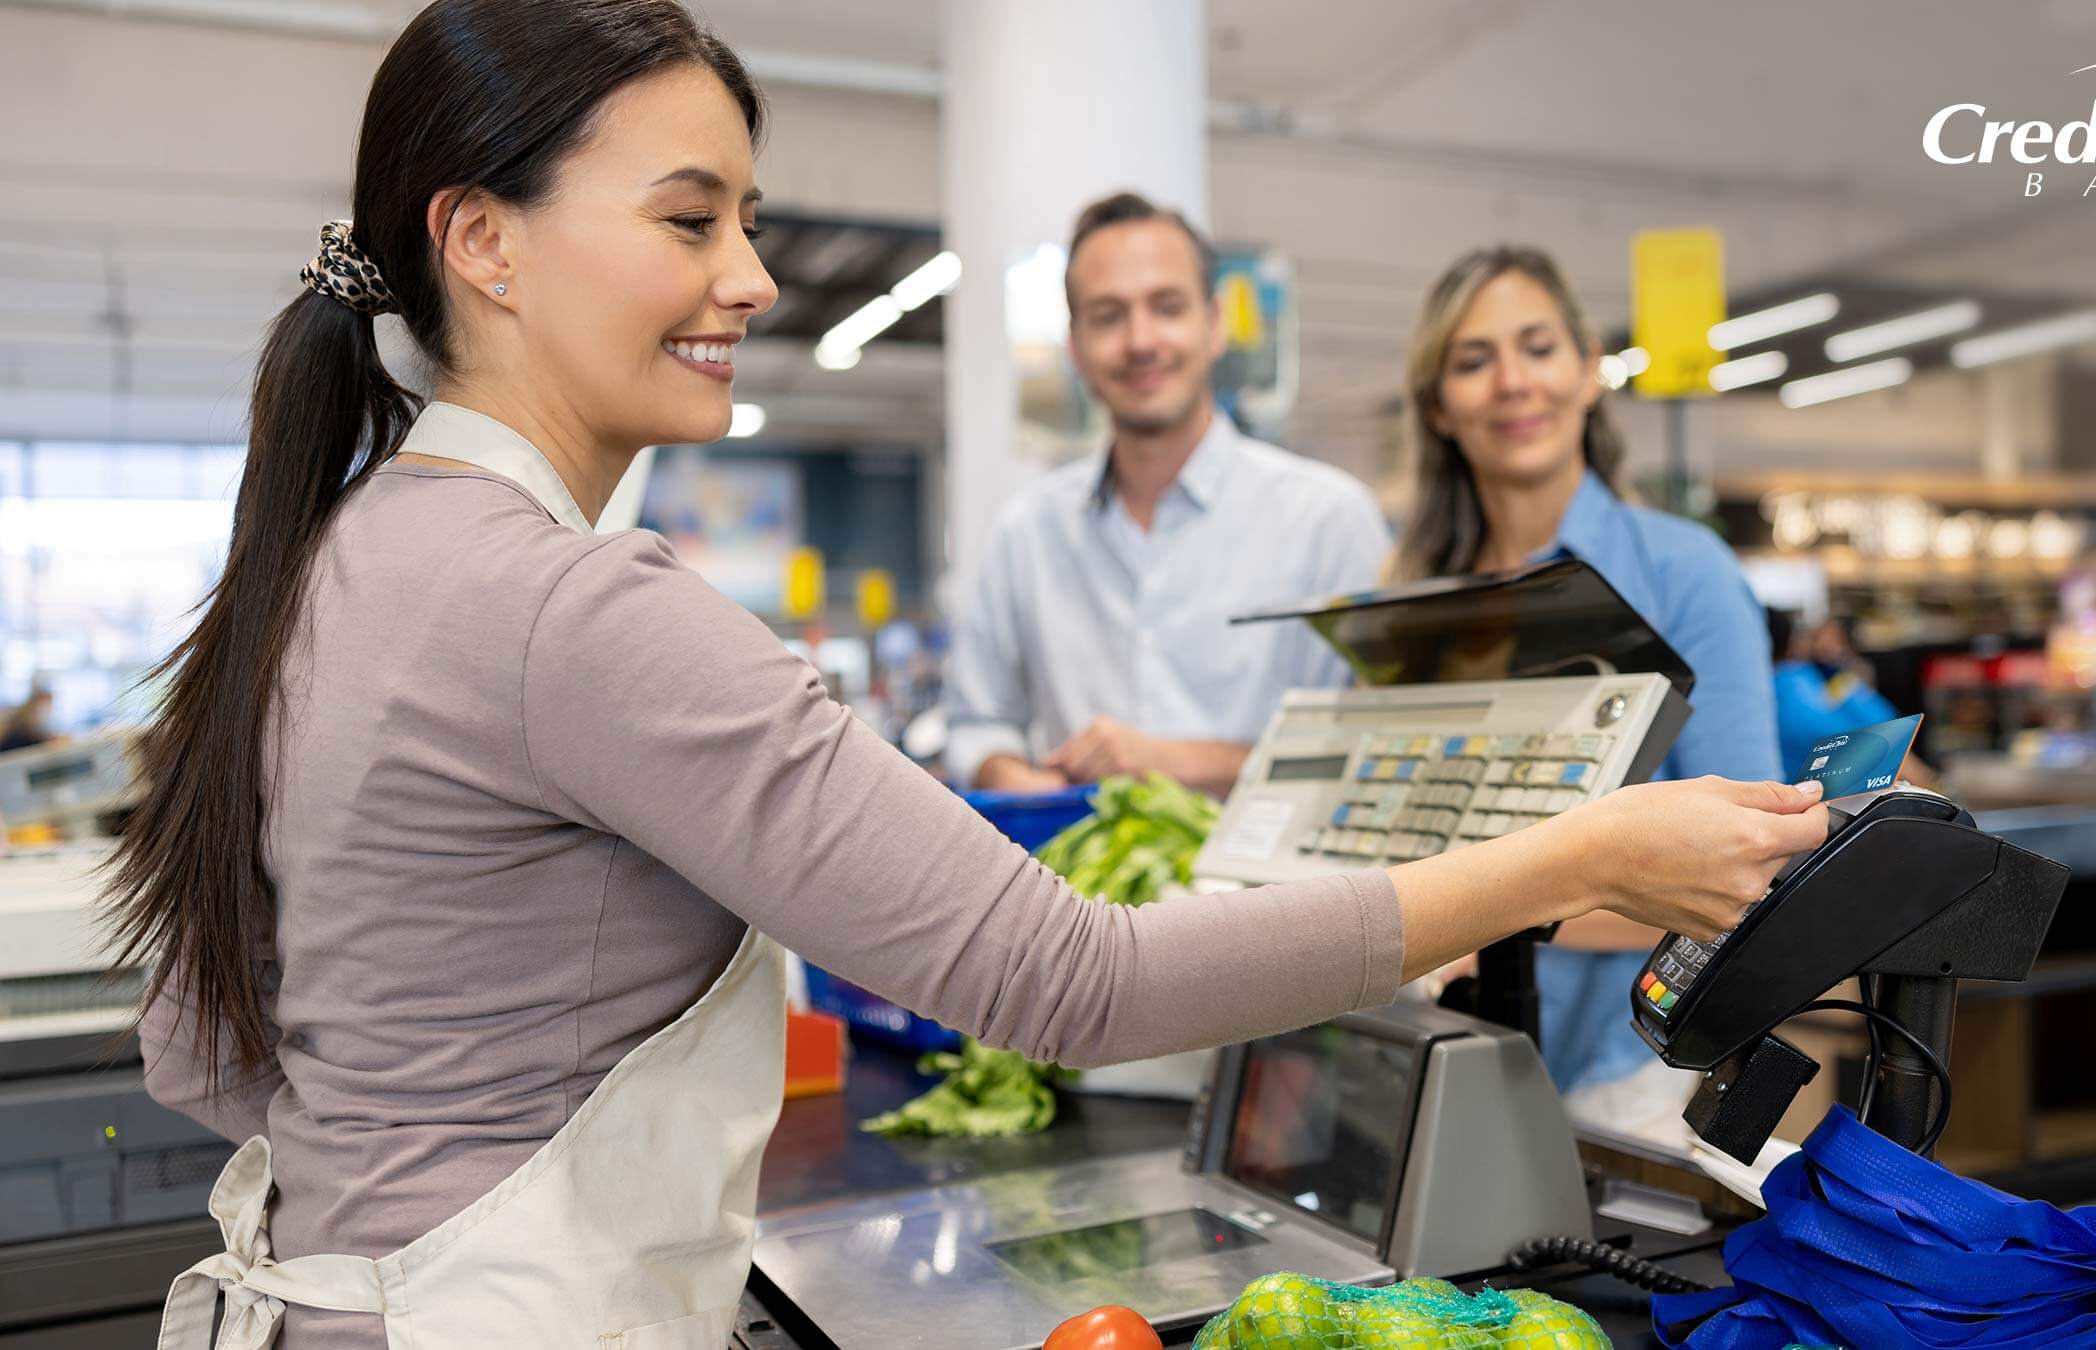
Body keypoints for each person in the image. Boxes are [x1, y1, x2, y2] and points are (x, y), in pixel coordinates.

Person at [108, 8, 1827, 1346]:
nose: (751, 277)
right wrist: (1572, 854)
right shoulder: (576, 610)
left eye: (747, 220)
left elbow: (199, 1048)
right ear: (483, 242)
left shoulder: (333, 559)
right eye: (690, 218)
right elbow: (1065, 980)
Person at [1393, 245, 1784, 1139]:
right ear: (1438, 406)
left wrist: (1487, 915)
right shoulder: (1413, 605)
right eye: (1473, 359)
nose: (1512, 382)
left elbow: (1752, 865)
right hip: (1444, 1059)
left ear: (1587, 371)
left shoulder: (1682, 572)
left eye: (1538, 347)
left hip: (1630, 1076)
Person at [941, 191, 1390, 798]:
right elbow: (976, 725)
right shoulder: (1026, 533)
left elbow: (1370, 746)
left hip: (1277, 864)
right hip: (1074, 861)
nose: (1140, 340)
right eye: (1108, 316)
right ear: (1076, 347)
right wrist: (1009, 774)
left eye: (1167, 307)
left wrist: (1173, 762)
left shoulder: (1329, 521)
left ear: (1215, 324)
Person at [1768, 608, 1938, 788]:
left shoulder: (1828, 679)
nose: (1824, 645)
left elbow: (1880, 726)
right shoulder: (1797, 681)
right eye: (1818, 637)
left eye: (1834, 639)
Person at [0, 685, 57, 753]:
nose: (46, 712)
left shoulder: (34, 726)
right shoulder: (20, 726)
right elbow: (28, 739)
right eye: (43, 708)